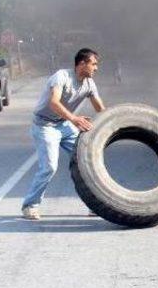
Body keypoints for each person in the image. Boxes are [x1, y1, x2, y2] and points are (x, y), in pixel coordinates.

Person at [21, 48, 106, 220]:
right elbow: (54, 103)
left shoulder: (89, 83)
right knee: (49, 167)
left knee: (86, 162)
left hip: (65, 124)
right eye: (94, 64)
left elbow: (101, 109)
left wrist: (113, 124)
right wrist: (74, 119)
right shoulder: (62, 76)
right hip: (45, 125)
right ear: (82, 63)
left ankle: (94, 205)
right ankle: (30, 205)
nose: (96, 68)